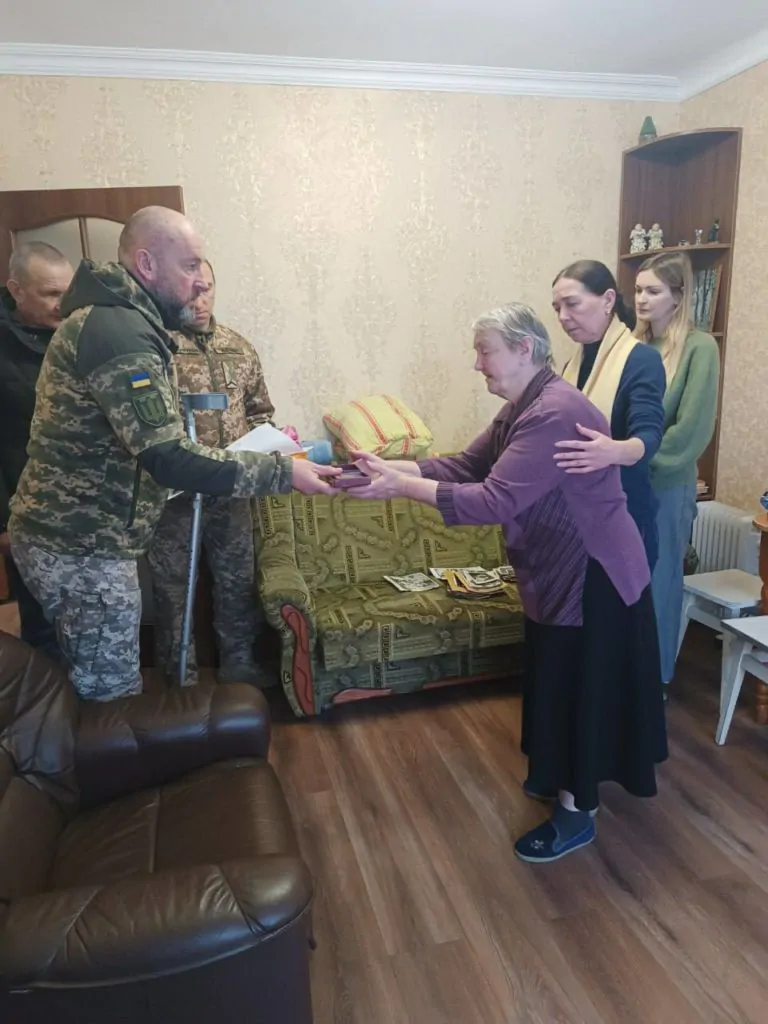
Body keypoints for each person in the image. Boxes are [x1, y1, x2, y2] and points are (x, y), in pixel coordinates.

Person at [346, 303, 667, 864]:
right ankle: (560, 778)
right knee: (555, 681)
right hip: (560, 570)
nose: (477, 364)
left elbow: (493, 500)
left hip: (594, 575)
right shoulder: (524, 405)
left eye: (484, 351)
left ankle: (577, 814)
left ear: (524, 349)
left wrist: (400, 487)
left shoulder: (554, 411)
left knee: (577, 689)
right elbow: (466, 466)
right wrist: (391, 469)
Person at [8, 206, 338, 702]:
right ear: (146, 264)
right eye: (189, 266)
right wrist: (283, 473)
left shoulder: (124, 322)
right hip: (82, 547)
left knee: (90, 685)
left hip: (83, 541)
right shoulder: (118, 332)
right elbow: (166, 456)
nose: (199, 282)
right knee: (110, 696)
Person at [147, 259, 276, 687]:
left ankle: (240, 666)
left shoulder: (238, 348)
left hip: (233, 492)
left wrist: (270, 440)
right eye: (191, 290)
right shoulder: (157, 346)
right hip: (175, 498)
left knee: (237, 582)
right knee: (173, 588)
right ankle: (178, 676)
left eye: (207, 289)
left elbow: (260, 412)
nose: (200, 300)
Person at [634, 251, 720, 694]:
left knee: (660, 581)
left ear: (678, 296)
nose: (642, 299)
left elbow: (692, 429)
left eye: (653, 291)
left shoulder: (700, 348)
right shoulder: (634, 348)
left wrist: (633, 458)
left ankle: (655, 680)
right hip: (623, 483)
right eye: (638, 290)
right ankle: (623, 678)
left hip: (666, 485)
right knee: (625, 583)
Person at [552, 260, 666, 568]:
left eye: (572, 304)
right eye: (557, 308)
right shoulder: (572, 364)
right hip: (575, 517)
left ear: (608, 300)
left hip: (623, 517)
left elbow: (649, 436)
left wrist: (612, 451)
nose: (563, 317)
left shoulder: (642, 360)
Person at [0, 242, 74, 660]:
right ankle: (47, 699)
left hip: (85, 512)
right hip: (25, 515)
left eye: (67, 291)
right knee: (43, 627)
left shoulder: (78, 337)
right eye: (50, 294)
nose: (62, 303)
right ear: (17, 290)